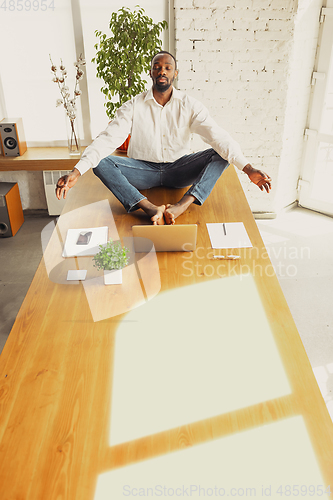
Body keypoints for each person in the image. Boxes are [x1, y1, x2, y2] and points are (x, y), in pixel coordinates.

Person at [56, 51, 271, 224]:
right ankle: (148, 207)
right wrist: (76, 171)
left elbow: (218, 136)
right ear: (150, 73)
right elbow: (107, 139)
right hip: (142, 171)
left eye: (167, 68)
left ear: (175, 73)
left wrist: (248, 169)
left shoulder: (190, 105)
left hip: (179, 170)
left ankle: (181, 206)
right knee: (100, 162)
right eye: (157, 67)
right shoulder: (133, 106)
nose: (162, 71)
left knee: (221, 154)